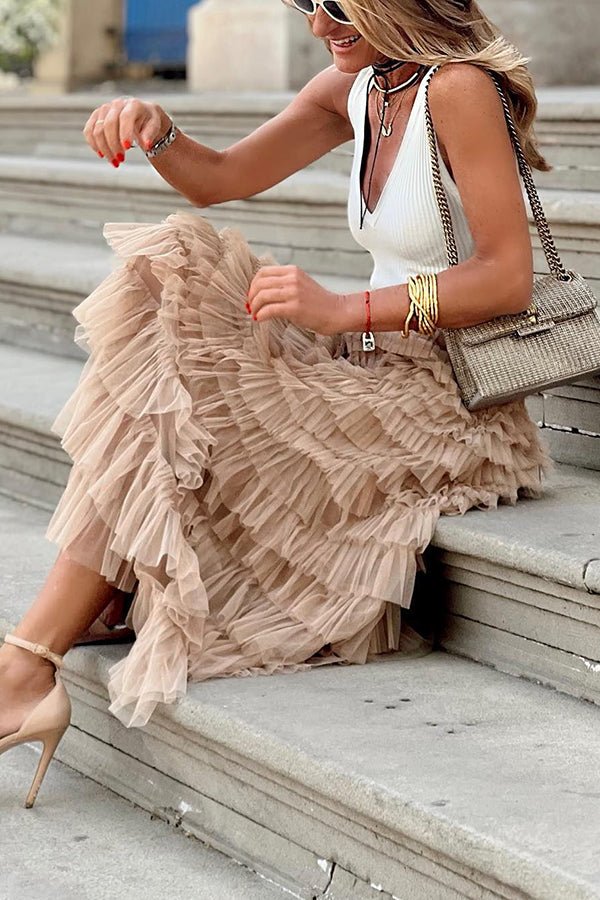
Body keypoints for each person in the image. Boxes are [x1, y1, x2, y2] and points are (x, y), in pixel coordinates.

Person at [0, 0, 549, 807]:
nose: (318, 28)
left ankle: (26, 661)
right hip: (359, 368)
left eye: (338, 9)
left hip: (442, 399)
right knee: (173, 296)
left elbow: (507, 278)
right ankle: (31, 658)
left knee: (189, 373)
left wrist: (342, 311)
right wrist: (156, 129)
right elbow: (224, 179)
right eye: (307, 6)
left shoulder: (458, 89)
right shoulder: (355, 88)